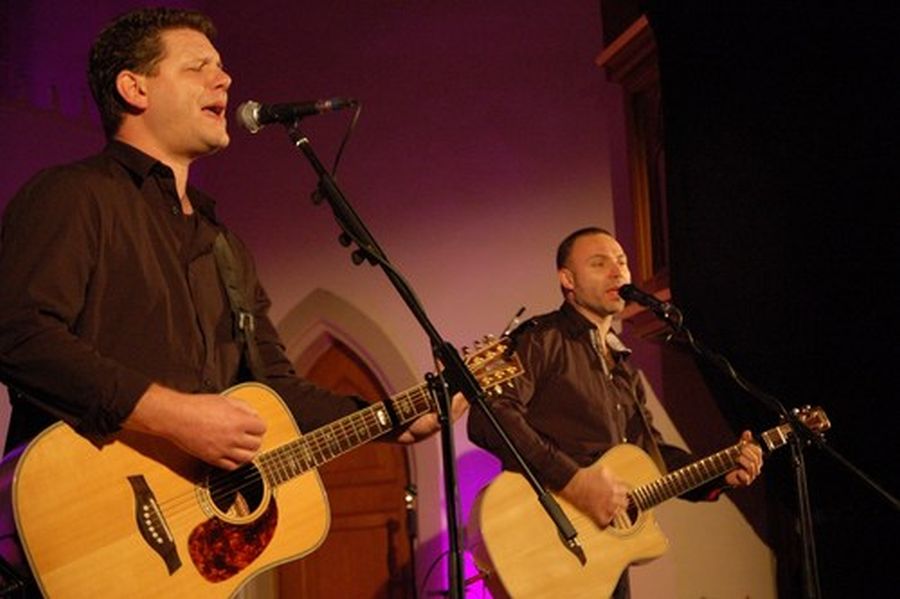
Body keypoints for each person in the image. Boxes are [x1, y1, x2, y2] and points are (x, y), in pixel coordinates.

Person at [0, 7, 464, 595]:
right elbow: (18, 335)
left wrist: (391, 420)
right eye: (198, 68)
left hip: (185, 565)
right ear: (134, 88)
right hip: (78, 536)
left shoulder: (224, 246)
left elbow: (276, 388)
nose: (224, 80)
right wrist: (176, 417)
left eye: (220, 68)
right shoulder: (72, 195)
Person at [466, 226, 763, 599]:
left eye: (621, 262)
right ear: (568, 280)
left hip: (604, 558)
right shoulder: (541, 340)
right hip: (550, 546)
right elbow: (489, 415)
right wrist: (574, 482)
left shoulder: (623, 367)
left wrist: (721, 473)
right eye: (599, 263)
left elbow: (652, 457)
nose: (617, 271)